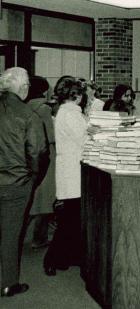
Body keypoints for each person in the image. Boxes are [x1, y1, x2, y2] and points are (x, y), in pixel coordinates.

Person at [0, 67, 49, 297]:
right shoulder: (29, 116)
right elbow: (38, 152)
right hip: (16, 183)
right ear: (23, 88)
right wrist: (33, 178)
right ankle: (8, 282)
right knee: (10, 233)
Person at [43, 78, 88, 276]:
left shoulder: (65, 112)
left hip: (69, 170)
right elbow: (84, 139)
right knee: (69, 219)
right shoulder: (71, 114)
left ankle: (66, 258)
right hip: (73, 171)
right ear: (76, 95)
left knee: (72, 218)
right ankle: (51, 259)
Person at [25, 75, 56, 250]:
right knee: (46, 199)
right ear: (44, 90)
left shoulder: (26, 106)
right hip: (47, 156)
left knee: (34, 198)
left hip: (31, 156)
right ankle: (40, 238)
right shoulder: (44, 109)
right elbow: (50, 136)